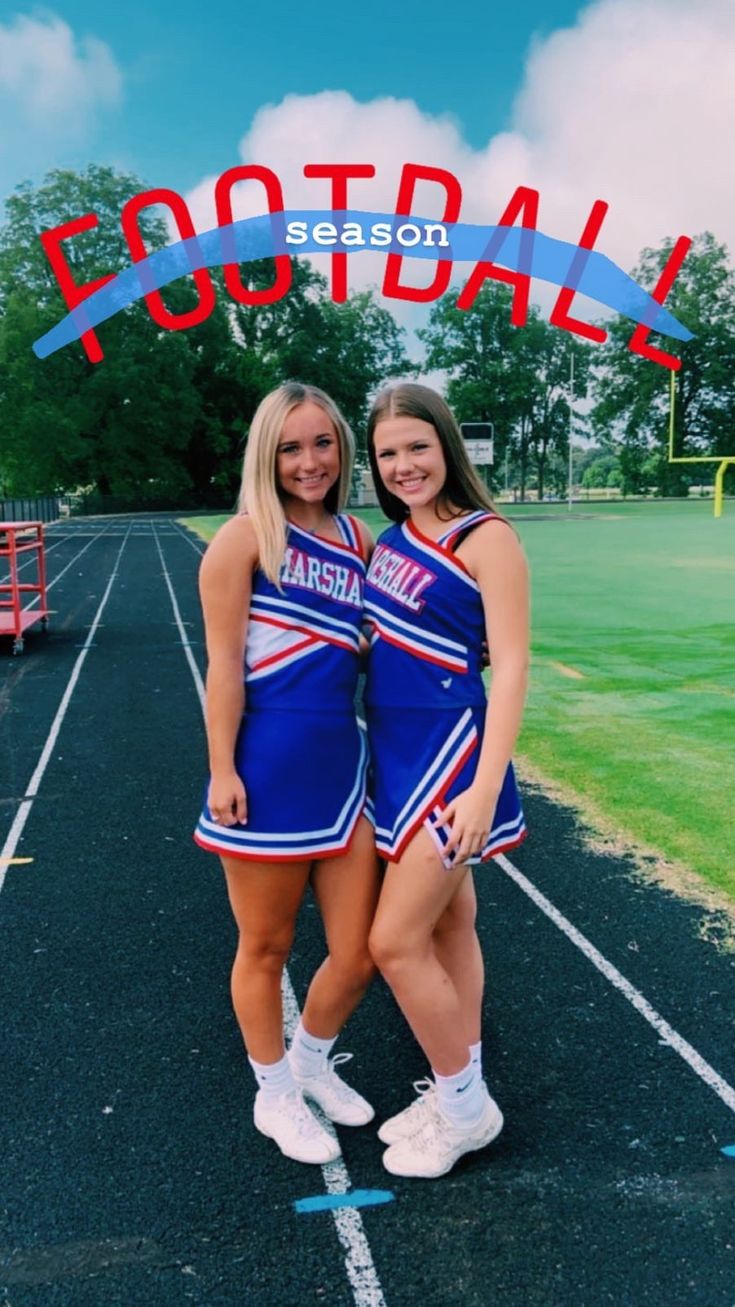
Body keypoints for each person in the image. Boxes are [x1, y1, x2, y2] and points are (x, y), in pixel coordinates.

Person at [194, 381, 380, 1165]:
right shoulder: (242, 540)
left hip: (344, 768)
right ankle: (273, 1091)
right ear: (266, 456)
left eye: (322, 443)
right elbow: (225, 667)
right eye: (290, 447)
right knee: (265, 947)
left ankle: (308, 1059)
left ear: (341, 446)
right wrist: (221, 770)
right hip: (264, 771)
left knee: (362, 946)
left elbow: (366, 647)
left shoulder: (359, 539)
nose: (309, 461)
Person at [363, 382, 529, 1180]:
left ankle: (466, 1109)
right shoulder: (391, 540)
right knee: (448, 923)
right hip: (392, 752)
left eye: (417, 447)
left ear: (446, 447)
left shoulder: (485, 536)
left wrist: (483, 785)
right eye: (388, 452)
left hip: (452, 758)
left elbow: (514, 667)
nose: (403, 464)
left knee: (392, 941)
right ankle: (459, 1081)